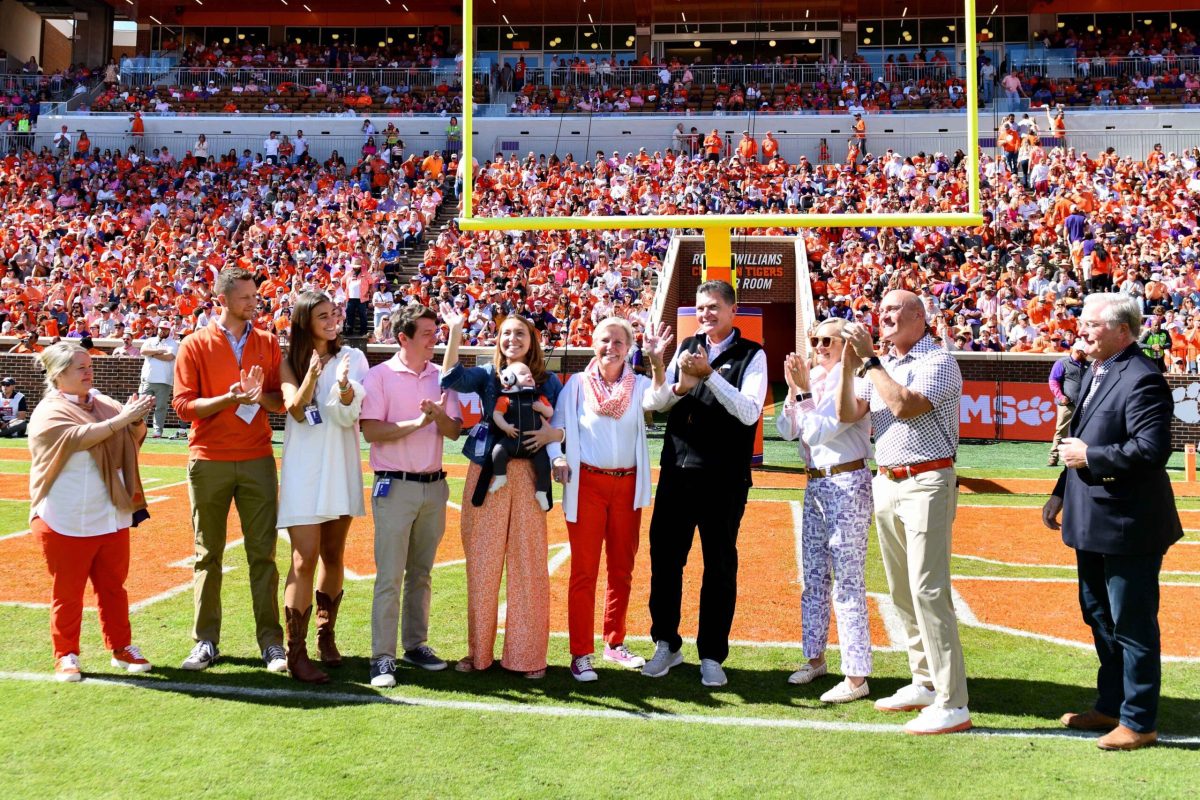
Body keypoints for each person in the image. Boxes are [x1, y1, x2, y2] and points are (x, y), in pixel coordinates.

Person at [1042, 293, 1182, 751]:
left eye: (1091, 323)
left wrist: (1091, 457)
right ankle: (1111, 703)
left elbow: (1152, 450)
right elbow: (1084, 438)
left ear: (1122, 329)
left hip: (1128, 523)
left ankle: (1139, 721)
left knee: (1132, 622)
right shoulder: (1098, 370)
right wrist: (1061, 492)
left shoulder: (1142, 377)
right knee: (1099, 615)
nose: (1082, 329)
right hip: (1092, 519)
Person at [837, 290, 971, 735]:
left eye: (894, 309)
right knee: (900, 589)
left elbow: (904, 406)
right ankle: (925, 681)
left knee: (929, 590)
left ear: (920, 316)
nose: (885, 315)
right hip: (889, 479)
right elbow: (848, 413)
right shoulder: (882, 363)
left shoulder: (938, 360)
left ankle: (954, 702)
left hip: (927, 479)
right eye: (883, 310)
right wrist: (846, 363)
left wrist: (871, 362)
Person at [642, 280, 767, 688]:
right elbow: (659, 404)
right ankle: (666, 643)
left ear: (733, 310)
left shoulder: (753, 355)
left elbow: (748, 413)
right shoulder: (686, 346)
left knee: (718, 566)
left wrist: (709, 375)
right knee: (665, 560)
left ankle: (712, 654)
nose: (706, 314)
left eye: (714, 307)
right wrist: (669, 375)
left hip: (724, 479)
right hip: (677, 473)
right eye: (701, 308)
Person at [173, 267, 287, 673]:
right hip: (209, 458)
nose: (253, 302)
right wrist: (229, 397)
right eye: (244, 297)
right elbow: (183, 407)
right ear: (222, 299)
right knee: (208, 555)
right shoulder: (193, 344)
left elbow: (279, 401)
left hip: (257, 457)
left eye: (254, 296)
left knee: (264, 555)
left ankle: (272, 643)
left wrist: (261, 396)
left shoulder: (268, 342)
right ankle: (206, 641)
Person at [441, 309, 564, 678]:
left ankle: (527, 657)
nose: (512, 340)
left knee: (528, 564)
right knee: (482, 563)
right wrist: (456, 332)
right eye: (506, 334)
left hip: (530, 473)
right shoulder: (486, 376)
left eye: (520, 334)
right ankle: (478, 654)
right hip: (488, 471)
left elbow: (562, 424)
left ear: (532, 341)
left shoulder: (549, 381)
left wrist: (553, 437)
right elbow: (450, 377)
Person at [550, 318, 673, 681]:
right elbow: (557, 428)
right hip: (586, 484)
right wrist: (556, 456)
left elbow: (663, 400)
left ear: (629, 347)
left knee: (622, 569)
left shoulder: (640, 385)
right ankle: (580, 653)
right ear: (593, 343)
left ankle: (614, 642)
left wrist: (657, 361)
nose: (611, 347)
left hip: (627, 486)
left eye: (619, 341)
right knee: (584, 572)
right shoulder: (575, 385)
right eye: (605, 340)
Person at [28, 342, 157, 681]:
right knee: (67, 594)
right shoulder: (48, 411)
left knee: (114, 587)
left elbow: (132, 437)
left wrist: (135, 420)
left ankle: (121, 646)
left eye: (89, 366)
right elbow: (79, 437)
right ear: (59, 375)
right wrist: (122, 420)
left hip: (109, 513)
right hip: (63, 516)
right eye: (80, 368)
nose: (89, 372)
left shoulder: (106, 405)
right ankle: (66, 654)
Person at [363, 304, 463, 688]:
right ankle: (382, 657)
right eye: (425, 333)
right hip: (395, 486)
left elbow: (454, 431)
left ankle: (415, 645)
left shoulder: (442, 376)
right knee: (390, 575)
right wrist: (417, 422)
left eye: (435, 332)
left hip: (434, 486)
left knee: (421, 573)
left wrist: (437, 416)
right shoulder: (380, 375)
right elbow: (372, 431)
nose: (433, 338)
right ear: (402, 338)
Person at [777, 319, 874, 703]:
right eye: (814, 340)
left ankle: (856, 675)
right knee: (814, 576)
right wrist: (793, 388)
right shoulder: (813, 377)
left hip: (848, 480)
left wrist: (802, 389)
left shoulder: (856, 381)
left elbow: (818, 432)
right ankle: (814, 658)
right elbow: (787, 429)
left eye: (826, 340)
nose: (818, 347)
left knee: (847, 580)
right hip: (816, 481)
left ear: (846, 344)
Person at [277, 292, 370, 683]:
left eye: (334, 314)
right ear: (305, 322)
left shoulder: (355, 358)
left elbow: (350, 413)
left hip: (340, 464)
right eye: (322, 316)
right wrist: (312, 374)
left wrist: (345, 386)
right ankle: (294, 653)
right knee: (304, 557)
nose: (332, 321)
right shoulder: (290, 363)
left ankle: (325, 636)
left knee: (333, 554)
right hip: (303, 468)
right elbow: (295, 410)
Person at [483, 362, 554, 510]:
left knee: (544, 466)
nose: (529, 375)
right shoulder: (505, 399)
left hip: (535, 445)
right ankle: (501, 476)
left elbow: (550, 412)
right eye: (523, 373)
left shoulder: (539, 398)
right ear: (509, 378)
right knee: (497, 451)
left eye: (530, 374)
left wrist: (542, 408)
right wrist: (505, 427)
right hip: (511, 441)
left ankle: (541, 492)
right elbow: (497, 415)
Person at [1047, 341, 1088, 467]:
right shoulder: (1062, 363)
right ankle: (1053, 457)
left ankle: (1078, 457)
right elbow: (1053, 381)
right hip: (1067, 404)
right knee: (1061, 431)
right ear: (1078, 352)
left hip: (1084, 405)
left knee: (1083, 432)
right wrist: (1060, 396)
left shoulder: (1088, 365)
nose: (1086, 355)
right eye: (1084, 353)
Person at [138, 318, 178, 438]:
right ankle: (140, 429)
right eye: (161, 328)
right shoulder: (150, 340)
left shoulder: (173, 343)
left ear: (169, 330)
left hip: (164, 380)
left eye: (166, 329)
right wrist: (158, 351)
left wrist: (153, 354)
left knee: (160, 407)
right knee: (142, 406)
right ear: (158, 329)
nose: (163, 331)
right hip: (148, 378)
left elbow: (169, 357)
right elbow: (143, 351)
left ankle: (158, 431)